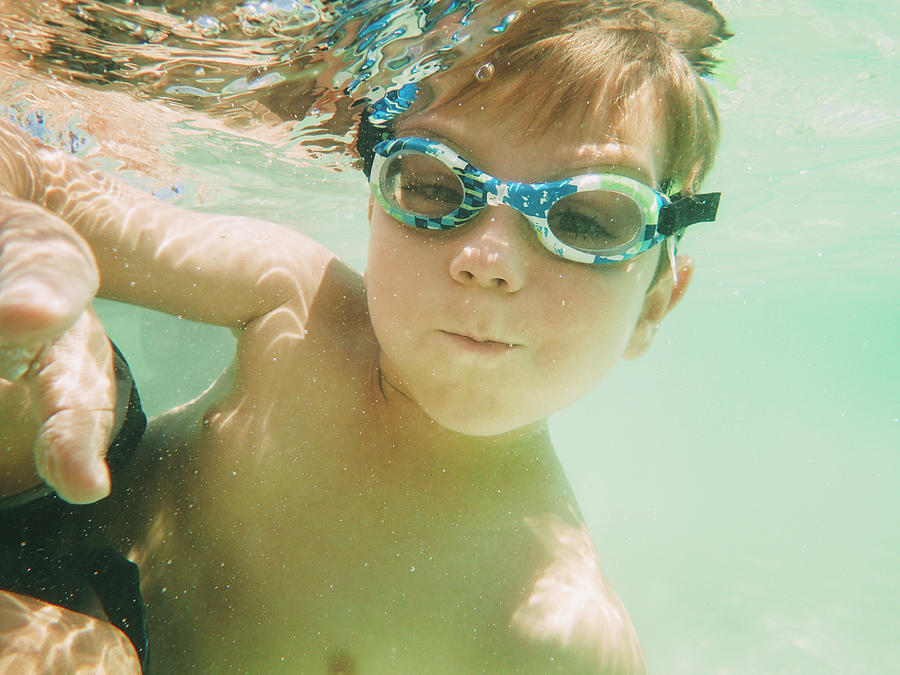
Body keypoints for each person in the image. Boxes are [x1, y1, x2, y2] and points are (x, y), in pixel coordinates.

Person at [0, 1, 731, 672]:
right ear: (376, 204)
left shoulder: (558, 633)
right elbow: (33, 173)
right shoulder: (292, 296)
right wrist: (29, 249)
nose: (489, 260)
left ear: (657, 301)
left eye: (585, 221)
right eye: (437, 187)